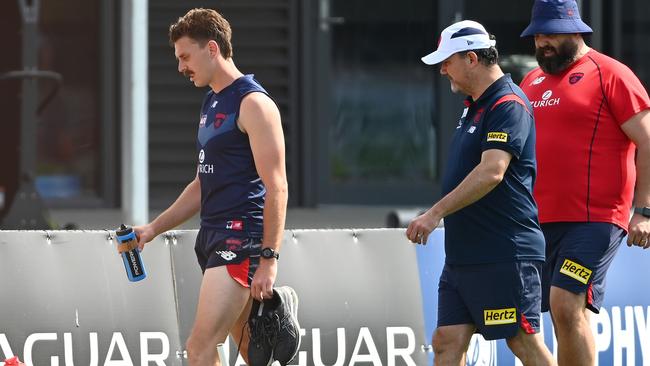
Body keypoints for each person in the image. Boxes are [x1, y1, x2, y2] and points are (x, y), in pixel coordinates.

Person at [129, 8, 299, 366]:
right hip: (211, 237)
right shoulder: (211, 102)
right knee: (252, 357)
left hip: (241, 240)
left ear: (212, 48)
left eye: (185, 57)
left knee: (199, 347)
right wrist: (153, 228)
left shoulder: (254, 104)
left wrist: (268, 260)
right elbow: (201, 183)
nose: (180, 67)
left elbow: (278, 187)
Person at [407, 20, 555, 365]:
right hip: (465, 255)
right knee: (446, 340)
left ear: (472, 58)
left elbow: (492, 172)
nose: (443, 70)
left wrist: (434, 214)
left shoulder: (507, 104)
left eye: (448, 61)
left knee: (521, 342)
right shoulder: (475, 104)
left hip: (503, 252)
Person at [519, 1, 650, 365]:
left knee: (565, 300)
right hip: (539, 221)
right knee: (539, 315)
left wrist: (645, 210)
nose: (543, 42)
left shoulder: (611, 73)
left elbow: (648, 141)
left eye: (551, 34)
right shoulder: (532, 80)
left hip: (597, 219)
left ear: (575, 29)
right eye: (538, 35)